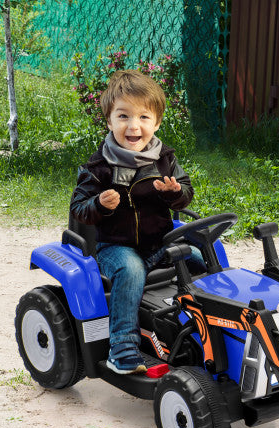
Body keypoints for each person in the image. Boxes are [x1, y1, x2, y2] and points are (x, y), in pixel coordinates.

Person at [70, 70, 195, 374]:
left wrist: (175, 194)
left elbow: (186, 194)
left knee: (203, 255)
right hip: (115, 246)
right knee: (131, 269)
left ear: (157, 122)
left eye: (143, 117)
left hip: (159, 242)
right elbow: (79, 208)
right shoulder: (98, 166)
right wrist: (99, 204)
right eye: (123, 116)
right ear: (109, 121)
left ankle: (197, 327)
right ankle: (122, 347)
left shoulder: (165, 158)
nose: (133, 125)